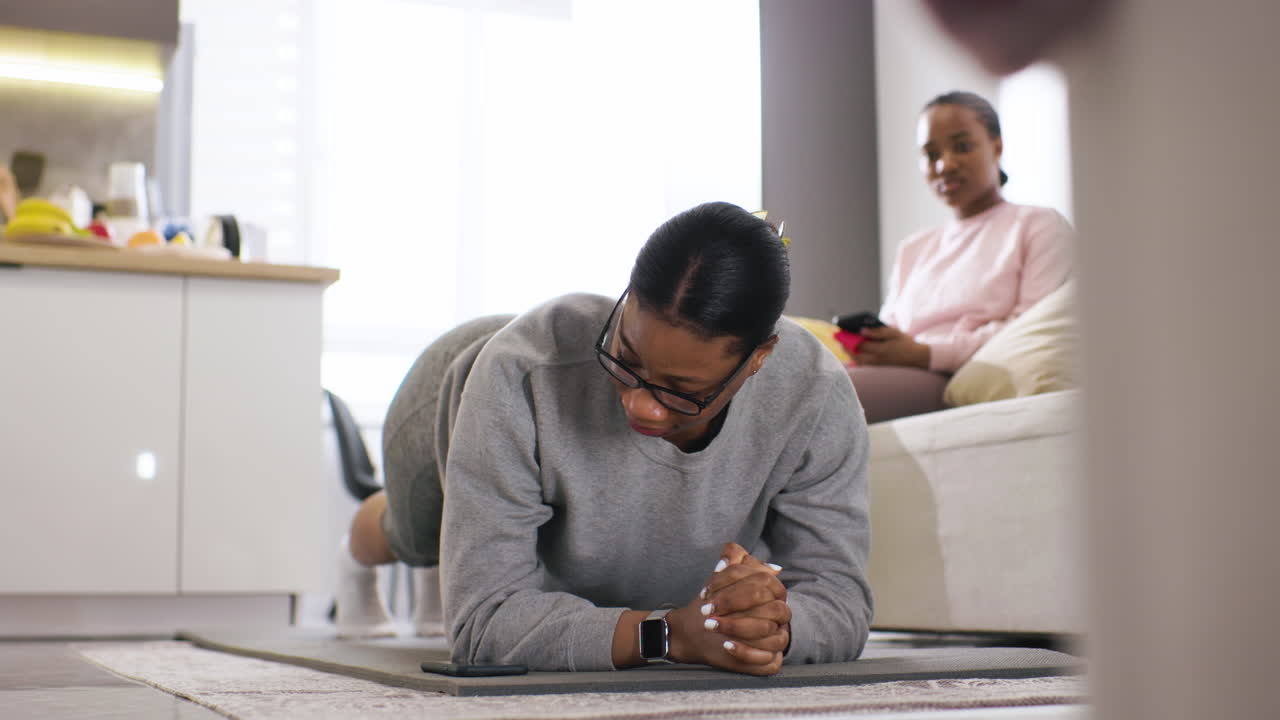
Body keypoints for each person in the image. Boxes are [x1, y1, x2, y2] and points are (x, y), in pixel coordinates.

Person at [336, 201, 872, 675]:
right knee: (414, 539)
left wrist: (772, 623)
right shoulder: (516, 375)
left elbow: (840, 600)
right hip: (458, 385)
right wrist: (669, 636)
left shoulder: (815, 396)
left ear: (758, 360)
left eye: (682, 391)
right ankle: (362, 554)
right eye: (627, 358)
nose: (640, 404)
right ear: (627, 297)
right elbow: (482, 624)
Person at [847, 91, 1074, 423]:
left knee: (819, 394)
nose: (945, 165)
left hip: (959, 378)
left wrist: (926, 354)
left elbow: (1027, 333)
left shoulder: (1038, 225)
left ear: (997, 146)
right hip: (901, 371)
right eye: (931, 154)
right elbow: (894, 327)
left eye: (962, 146)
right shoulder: (914, 247)